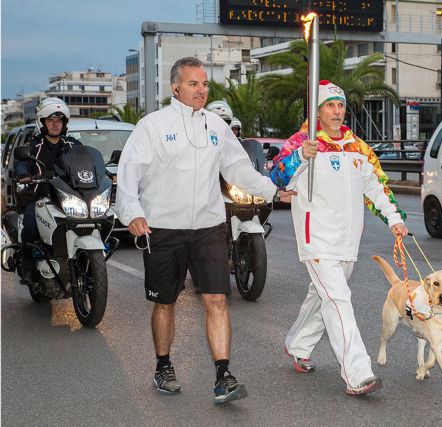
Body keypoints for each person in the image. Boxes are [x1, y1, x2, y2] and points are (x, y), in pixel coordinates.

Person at [115, 57, 293, 403]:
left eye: (205, 84)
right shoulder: (152, 126)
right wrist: (132, 211)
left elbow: (238, 168)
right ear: (176, 88)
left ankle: (223, 375)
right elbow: (129, 173)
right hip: (163, 228)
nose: (201, 90)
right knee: (165, 302)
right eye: (193, 83)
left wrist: (273, 189)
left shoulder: (216, 126)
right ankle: (163, 365)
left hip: (210, 227)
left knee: (217, 299)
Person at [270, 80, 409, 395]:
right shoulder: (303, 143)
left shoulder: (358, 147)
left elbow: (377, 188)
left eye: (340, 105)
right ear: (317, 110)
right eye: (329, 105)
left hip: (348, 243)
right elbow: (277, 176)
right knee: (339, 300)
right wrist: (300, 158)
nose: (336, 111)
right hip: (316, 239)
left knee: (322, 297)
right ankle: (357, 373)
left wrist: (394, 219)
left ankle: (297, 344)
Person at [14, 97, 82, 283]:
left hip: (67, 197)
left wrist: (106, 173)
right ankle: (28, 265)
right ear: (42, 122)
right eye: (51, 121)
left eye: (59, 121)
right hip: (40, 197)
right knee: (30, 224)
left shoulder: (72, 145)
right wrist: (23, 174)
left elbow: (87, 162)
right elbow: (21, 164)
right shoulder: (33, 146)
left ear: (64, 123)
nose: (55, 124)